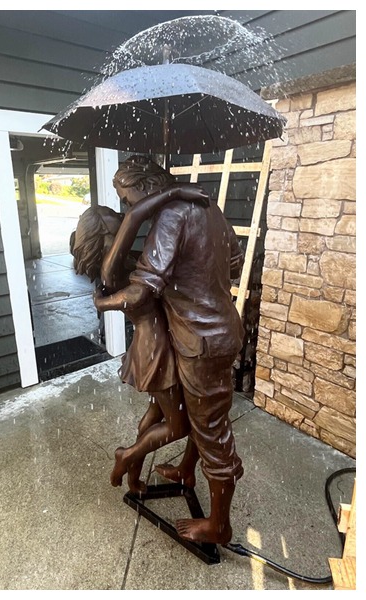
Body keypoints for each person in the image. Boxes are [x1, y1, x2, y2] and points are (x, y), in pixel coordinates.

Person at [93, 155, 245, 545]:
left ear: (146, 185)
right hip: (223, 330)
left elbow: (142, 289)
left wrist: (103, 304)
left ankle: (218, 527)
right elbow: (235, 258)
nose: (129, 207)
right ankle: (186, 471)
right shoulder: (208, 206)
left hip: (200, 341)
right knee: (200, 416)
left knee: (212, 433)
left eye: (129, 198)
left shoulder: (172, 217)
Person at [72, 180, 206, 495]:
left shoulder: (125, 260)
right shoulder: (111, 267)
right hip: (155, 348)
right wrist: (175, 193)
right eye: (112, 216)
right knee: (179, 425)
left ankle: (134, 480)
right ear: (103, 232)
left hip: (160, 342)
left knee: (155, 416)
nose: (120, 216)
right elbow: (134, 219)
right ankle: (126, 456)